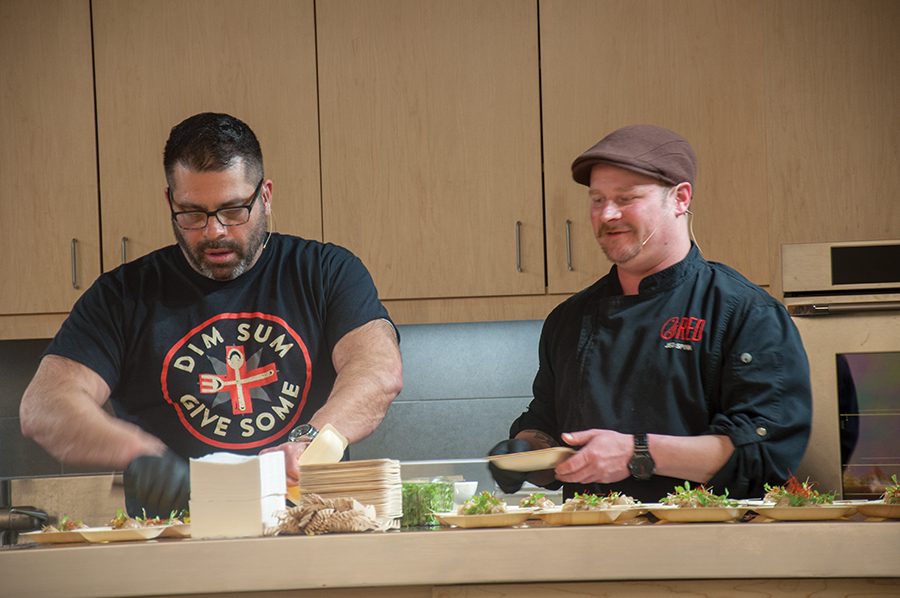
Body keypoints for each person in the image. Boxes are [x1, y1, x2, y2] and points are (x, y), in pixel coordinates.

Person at [20, 112, 403, 516]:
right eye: (192, 213)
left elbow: (377, 370)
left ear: (266, 196)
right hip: (174, 543)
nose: (214, 231)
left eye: (234, 210)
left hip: (310, 528)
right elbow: (45, 404)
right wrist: (134, 452)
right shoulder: (123, 296)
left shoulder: (326, 272)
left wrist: (312, 439)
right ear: (170, 201)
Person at [488, 124, 812, 502]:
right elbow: (548, 422)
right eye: (597, 200)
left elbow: (765, 453)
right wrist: (526, 452)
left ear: (680, 199)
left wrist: (635, 453)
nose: (607, 214)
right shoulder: (569, 319)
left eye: (626, 198)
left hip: (708, 549)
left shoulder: (745, 313)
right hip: (589, 548)